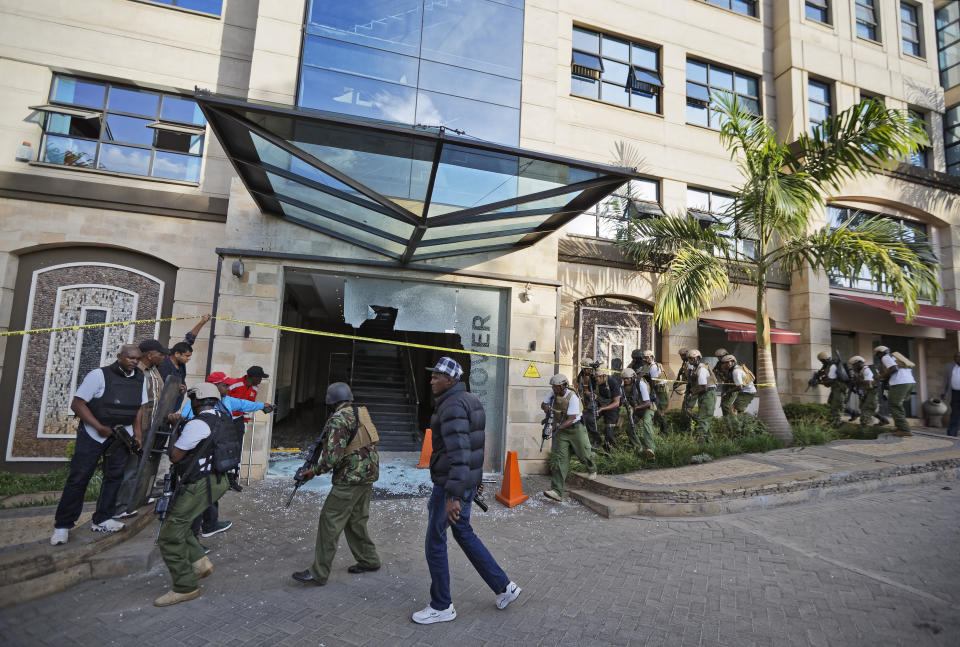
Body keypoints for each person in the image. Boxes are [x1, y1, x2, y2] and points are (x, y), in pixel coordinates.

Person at [412, 357, 521, 624]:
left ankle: (441, 606)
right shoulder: (470, 401)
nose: (432, 379)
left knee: (435, 541)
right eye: (433, 374)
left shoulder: (451, 406)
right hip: (464, 483)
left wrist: (453, 496)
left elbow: (459, 451)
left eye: (437, 375)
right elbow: (475, 447)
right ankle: (504, 587)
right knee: (463, 532)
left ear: (450, 380)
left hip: (450, 486)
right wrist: (475, 480)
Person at [50, 345, 147, 545]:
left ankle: (102, 518)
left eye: (137, 359)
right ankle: (62, 526)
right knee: (79, 478)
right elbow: (77, 404)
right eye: (130, 358)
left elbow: (138, 409)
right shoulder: (98, 375)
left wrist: (137, 435)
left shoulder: (139, 378)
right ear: (119, 357)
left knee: (114, 477)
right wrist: (99, 427)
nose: (134, 362)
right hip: (94, 434)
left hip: (122, 436)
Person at [154, 383, 235, 607]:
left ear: (197, 401)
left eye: (192, 400)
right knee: (182, 522)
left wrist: (176, 429)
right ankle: (200, 563)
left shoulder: (198, 424)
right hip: (219, 480)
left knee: (169, 534)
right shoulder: (222, 417)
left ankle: (184, 586)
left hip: (200, 483)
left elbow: (176, 456)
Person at [291, 382, 380, 587]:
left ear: (331, 400)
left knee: (329, 520)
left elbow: (332, 458)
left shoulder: (338, 419)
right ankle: (369, 560)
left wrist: (312, 472)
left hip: (349, 479)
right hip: (368, 474)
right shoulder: (360, 412)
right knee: (355, 519)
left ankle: (319, 572)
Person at [178, 372, 275, 540]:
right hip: (200, 459)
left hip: (216, 457)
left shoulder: (226, 400)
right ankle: (192, 538)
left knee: (210, 492)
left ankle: (210, 524)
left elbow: (243, 404)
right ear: (214, 386)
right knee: (200, 496)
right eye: (225, 385)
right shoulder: (194, 405)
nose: (228, 388)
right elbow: (186, 429)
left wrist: (261, 405)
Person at [113, 339, 168, 519]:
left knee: (144, 466)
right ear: (149, 355)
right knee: (131, 467)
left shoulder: (154, 371)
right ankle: (120, 506)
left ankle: (138, 498)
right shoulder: (136, 373)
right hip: (138, 427)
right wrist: (137, 431)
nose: (163, 357)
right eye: (160, 354)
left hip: (151, 427)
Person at [542, 373, 598, 502]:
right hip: (562, 431)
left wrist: (554, 428)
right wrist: (548, 409)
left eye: (556, 386)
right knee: (560, 460)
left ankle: (592, 469)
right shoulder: (553, 394)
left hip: (576, 428)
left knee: (584, 453)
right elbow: (543, 404)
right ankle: (557, 491)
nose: (554, 389)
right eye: (553, 386)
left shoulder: (572, 397)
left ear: (563, 386)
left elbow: (571, 419)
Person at [876, 345, 915, 436]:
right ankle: (900, 427)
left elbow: (894, 368)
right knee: (898, 405)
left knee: (894, 405)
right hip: (909, 382)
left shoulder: (885, 357)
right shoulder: (895, 357)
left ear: (880, 353)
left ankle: (905, 429)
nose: (877, 357)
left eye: (877, 354)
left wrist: (880, 376)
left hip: (900, 383)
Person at [620, 368, 655, 459]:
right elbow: (622, 400)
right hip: (636, 409)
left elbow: (647, 402)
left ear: (633, 377)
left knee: (646, 423)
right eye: (624, 378)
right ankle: (638, 447)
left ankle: (651, 448)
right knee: (629, 428)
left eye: (627, 378)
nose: (626, 380)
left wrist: (634, 408)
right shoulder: (622, 387)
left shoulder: (640, 384)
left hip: (648, 408)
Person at [685, 350, 717, 443]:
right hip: (703, 394)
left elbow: (704, 388)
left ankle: (700, 444)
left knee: (704, 418)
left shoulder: (701, 369)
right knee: (703, 417)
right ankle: (709, 441)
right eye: (689, 358)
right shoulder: (695, 368)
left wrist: (692, 394)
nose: (690, 360)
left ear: (698, 358)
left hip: (708, 394)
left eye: (692, 358)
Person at [815, 350, 848, 427]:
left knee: (836, 405)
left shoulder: (832, 366)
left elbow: (830, 380)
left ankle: (837, 423)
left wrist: (820, 381)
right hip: (835, 388)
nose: (822, 363)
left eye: (822, 361)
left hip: (839, 388)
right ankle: (833, 420)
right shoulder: (829, 366)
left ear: (824, 359)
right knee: (831, 403)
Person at [640, 350, 670, 432]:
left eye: (646, 358)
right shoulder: (650, 366)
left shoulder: (653, 367)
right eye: (644, 358)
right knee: (658, 410)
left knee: (661, 410)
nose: (645, 359)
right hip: (658, 389)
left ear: (651, 357)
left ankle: (664, 430)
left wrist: (652, 392)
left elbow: (653, 381)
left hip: (660, 390)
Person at [575, 359, 602, 447]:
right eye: (586, 368)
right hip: (585, 402)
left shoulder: (595, 376)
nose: (588, 370)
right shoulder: (581, 377)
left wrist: (593, 394)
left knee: (591, 420)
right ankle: (586, 442)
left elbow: (599, 388)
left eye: (590, 368)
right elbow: (580, 389)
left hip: (597, 401)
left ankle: (597, 440)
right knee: (583, 421)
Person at [594, 369, 622, 447]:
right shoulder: (596, 382)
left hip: (612, 406)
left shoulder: (613, 383)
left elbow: (616, 403)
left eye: (598, 377)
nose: (596, 379)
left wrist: (603, 409)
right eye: (596, 377)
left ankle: (609, 447)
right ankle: (596, 440)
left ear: (604, 376)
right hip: (600, 404)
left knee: (609, 430)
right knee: (589, 419)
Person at [850, 356, 878, 427]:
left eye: (854, 365)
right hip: (864, 393)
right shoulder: (858, 371)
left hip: (870, 392)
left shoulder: (866, 370)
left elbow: (869, 383)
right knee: (863, 408)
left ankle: (865, 427)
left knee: (867, 408)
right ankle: (867, 425)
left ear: (859, 363)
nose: (853, 367)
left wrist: (857, 380)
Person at [940, 352, 960, 437]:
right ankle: (952, 432)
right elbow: (946, 381)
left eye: (959, 357)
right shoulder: (949, 367)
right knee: (954, 413)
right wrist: (943, 392)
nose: (957, 358)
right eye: (955, 357)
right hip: (954, 393)